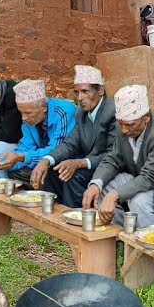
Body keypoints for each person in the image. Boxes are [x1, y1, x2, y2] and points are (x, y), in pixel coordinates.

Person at [83, 85, 154, 227]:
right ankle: (117, 233)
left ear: (146, 118)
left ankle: (148, 244)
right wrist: (95, 184)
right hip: (138, 178)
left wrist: (116, 194)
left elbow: (150, 177)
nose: (123, 130)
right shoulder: (123, 125)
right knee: (103, 187)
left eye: (130, 125)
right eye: (121, 124)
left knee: (139, 201)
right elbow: (112, 159)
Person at [36, 66, 116, 206]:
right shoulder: (81, 113)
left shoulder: (113, 112)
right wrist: (47, 160)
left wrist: (79, 163)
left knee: (73, 177)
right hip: (91, 165)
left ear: (101, 91)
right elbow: (70, 143)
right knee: (53, 171)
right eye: (77, 92)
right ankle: (54, 217)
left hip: (109, 168)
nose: (80, 98)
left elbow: (113, 155)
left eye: (85, 91)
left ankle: (76, 219)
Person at [0, 79, 76, 186]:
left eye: (28, 113)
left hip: (66, 162)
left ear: (43, 107)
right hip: (41, 158)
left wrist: (22, 157)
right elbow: (26, 148)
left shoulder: (64, 113)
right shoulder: (29, 120)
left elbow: (56, 151)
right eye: (21, 113)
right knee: (9, 164)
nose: (23, 118)